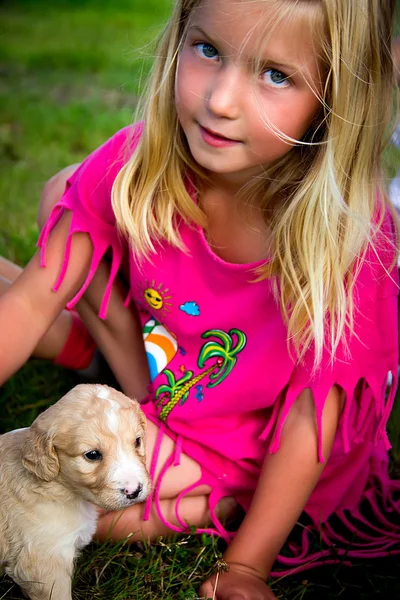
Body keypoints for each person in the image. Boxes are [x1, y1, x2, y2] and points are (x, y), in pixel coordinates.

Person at [0, 1, 399, 598]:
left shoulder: (353, 244)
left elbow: (310, 422)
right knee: (72, 190)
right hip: (169, 375)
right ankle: (97, 358)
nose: (220, 100)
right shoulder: (141, 161)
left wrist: (247, 566)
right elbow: (33, 299)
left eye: (276, 75)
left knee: (61, 506)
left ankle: (219, 497)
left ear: (335, 98)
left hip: (247, 443)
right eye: (207, 50)